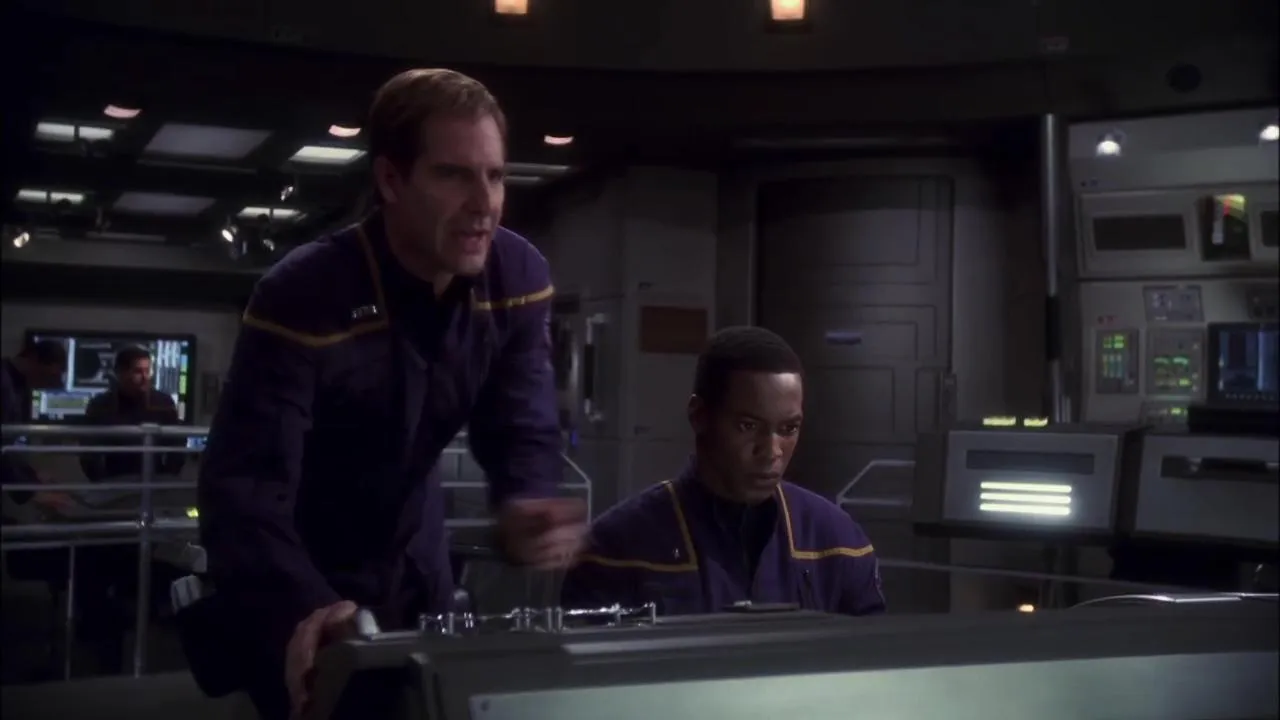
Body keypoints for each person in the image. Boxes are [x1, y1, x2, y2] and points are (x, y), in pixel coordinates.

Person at [196, 68, 586, 720]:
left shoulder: (516, 276)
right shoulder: (304, 292)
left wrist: (526, 494)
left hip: (416, 562)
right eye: (453, 174)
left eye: (494, 176)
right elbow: (245, 488)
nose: (485, 203)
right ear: (390, 181)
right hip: (301, 569)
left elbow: (519, 422)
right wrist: (305, 606)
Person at [561, 326, 885, 617]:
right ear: (699, 416)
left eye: (788, 429)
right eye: (748, 426)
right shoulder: (617, 548)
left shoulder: (839, 542)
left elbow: (873, 658)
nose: (771, 451)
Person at [79, 346, 185, 482]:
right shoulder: (100, 405)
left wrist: (165, 478)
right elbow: (88, 453)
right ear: (120, 373)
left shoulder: (163, 403)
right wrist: (103, 482)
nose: (145, 377)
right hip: (114, 483)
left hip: (155, 483)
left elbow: (177, 447)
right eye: (138, 371)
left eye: (147, 371)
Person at [0, 338, 71, 509]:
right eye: (48, 376)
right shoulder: (4, 384)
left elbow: (9, 446)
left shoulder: (18, 385)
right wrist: (31, 492)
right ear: (33, 359)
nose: (46, 385)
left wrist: (32, 476)